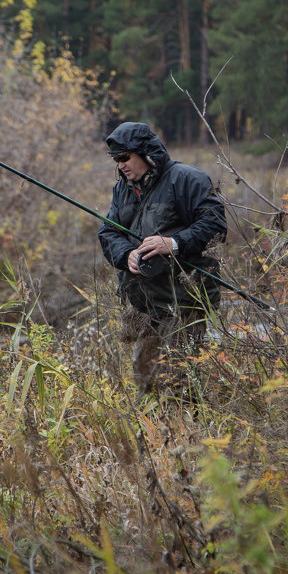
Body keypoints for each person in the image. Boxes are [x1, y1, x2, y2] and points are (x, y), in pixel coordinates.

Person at [97, 122, 228, 395]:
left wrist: (174, 243)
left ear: (145, 153)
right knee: (146, 380)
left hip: (184, 300)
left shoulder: (187, 179)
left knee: (176, 382)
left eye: (124, 158)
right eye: (116, 160)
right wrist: (126, 255)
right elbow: (108, 231)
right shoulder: (122, 189)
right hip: (143, 302)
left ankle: (189, 434)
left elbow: (215, 225)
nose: (120, 165)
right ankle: (160, 435)